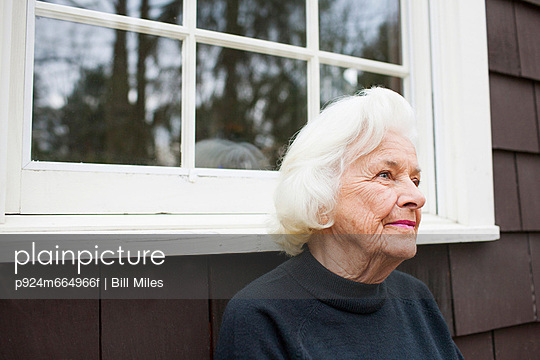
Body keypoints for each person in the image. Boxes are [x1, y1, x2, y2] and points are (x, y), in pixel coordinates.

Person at [214, 87, 464, 359]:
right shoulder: (262, 315)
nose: (417, 197)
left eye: (415, 180)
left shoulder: (415, 296)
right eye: (385, 175)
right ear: (320, 200)